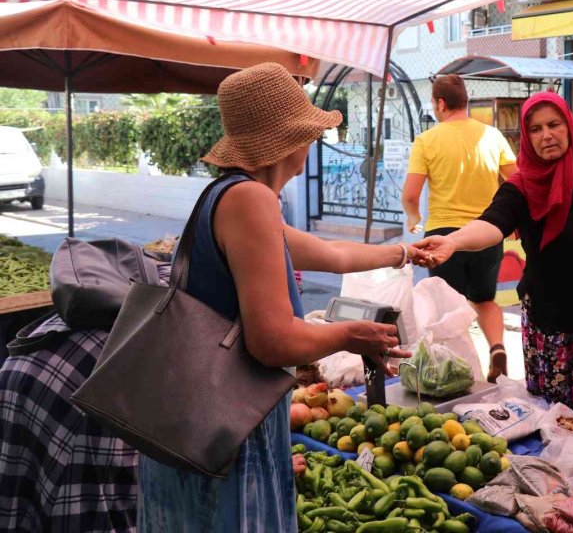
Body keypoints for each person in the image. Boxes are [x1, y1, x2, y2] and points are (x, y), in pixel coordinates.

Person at [137, 63, 423, 532]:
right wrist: (350, 335)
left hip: (205, 423)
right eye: (309, 133)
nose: (313, 142)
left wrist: (406, 252)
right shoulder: (249, 201)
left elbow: (332, 254)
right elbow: (271, 341)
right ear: (291, 141)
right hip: (227, 426)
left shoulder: (231, 195)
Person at [414, 91, 573, 415]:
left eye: (554, 124)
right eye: (536, 129)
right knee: (563, 422)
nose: (546, 135)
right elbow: (491, 225)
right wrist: (453, 241)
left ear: (569, 126)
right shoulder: (521, 187)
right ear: (526, 136)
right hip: (553, 327)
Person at [401, 74, 517, 382]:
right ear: (465, 101)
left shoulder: (427, 140)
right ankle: (497, 348)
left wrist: (413, 217)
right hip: (486, 231)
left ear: (441, 103)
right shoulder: (492, 135)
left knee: (449, 308)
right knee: (485, 299)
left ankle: (461, 370)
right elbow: (517, 179)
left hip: (443, 237)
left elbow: (410, 194)